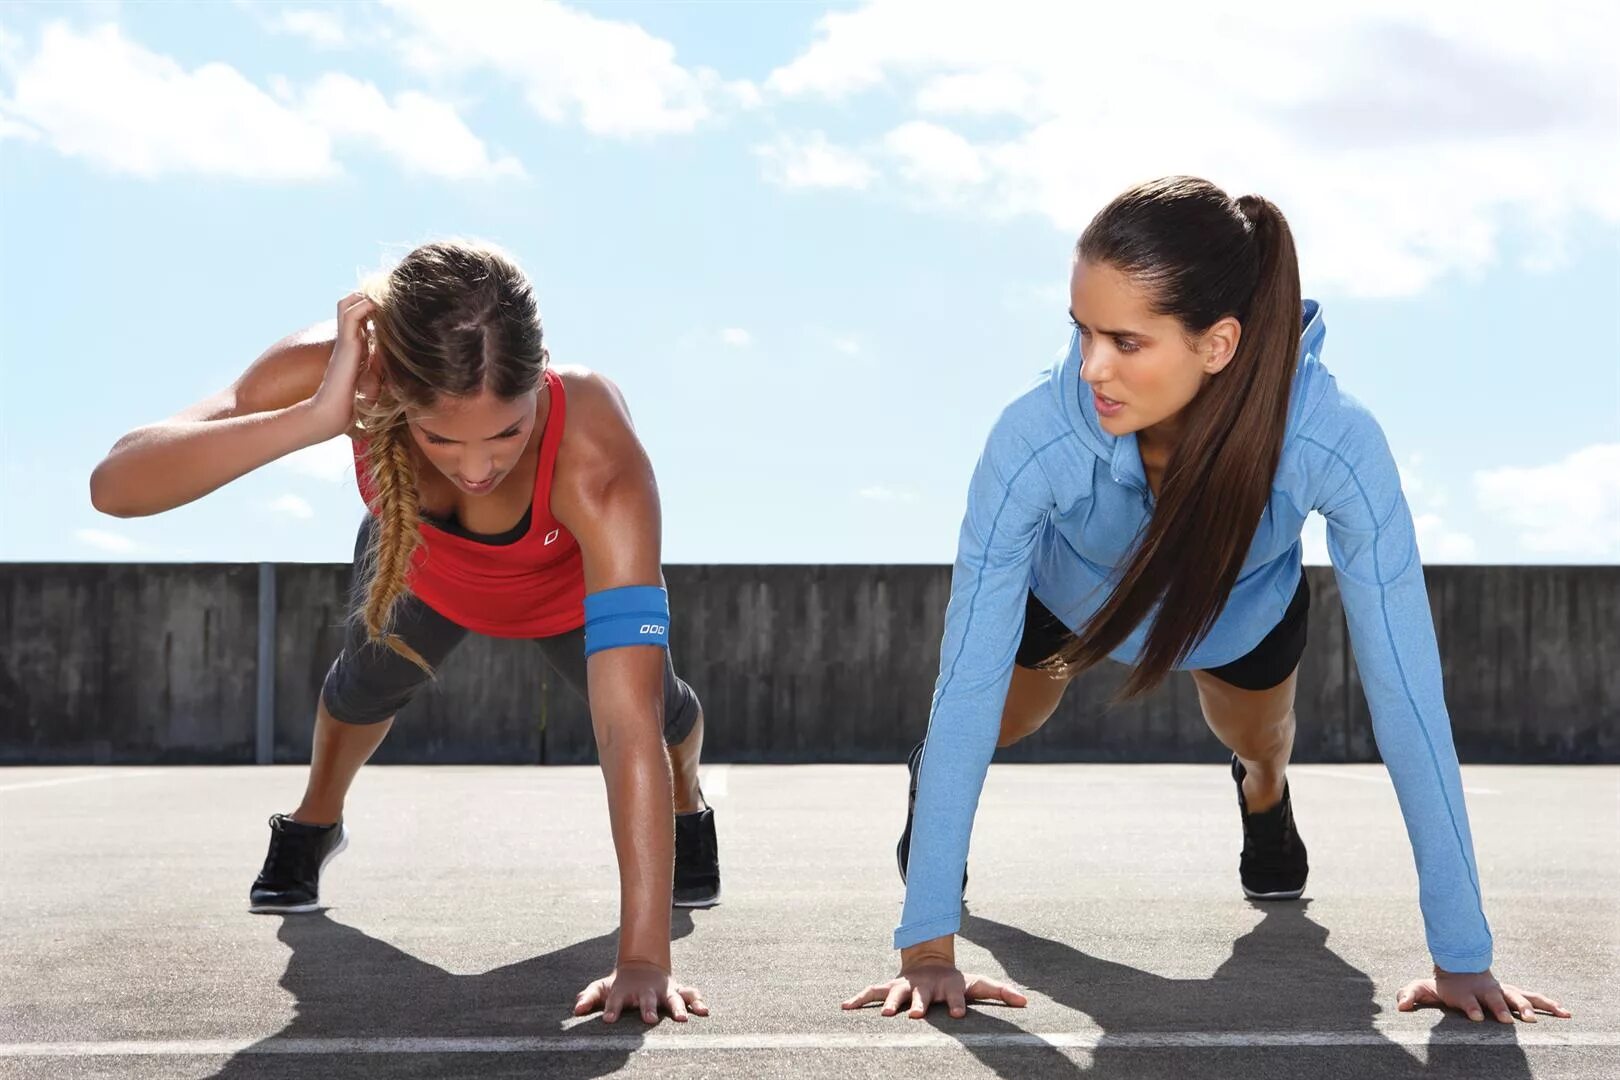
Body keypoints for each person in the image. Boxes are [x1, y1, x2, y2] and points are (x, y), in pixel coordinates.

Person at [843, 177, 1569, 1027]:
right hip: (1080, 606)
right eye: (1081, 331)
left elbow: (1407, 691)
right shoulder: (1035, 435)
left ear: (1217, 344)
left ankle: (1263, 793)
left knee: (1260, 743)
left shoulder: (1331, 439)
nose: (1091, 369)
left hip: (1239, 618)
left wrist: (1463, 955)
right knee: (990, 724)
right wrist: (928, 948)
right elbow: (963, 680)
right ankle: (935, 794)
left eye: (1125, 341)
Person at [90, 239, 716, 1025]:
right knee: (359, 692)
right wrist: (316, 416)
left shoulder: (597, 447)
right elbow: (115, 486)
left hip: (560, 594)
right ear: (394, 390)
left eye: (506, 436)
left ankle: (689, 803)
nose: (477, 468)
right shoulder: (340, 370)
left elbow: (623, 728)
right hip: (421, 568)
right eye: (440, 439)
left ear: (541, 375)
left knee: (658, 714)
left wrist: (643, 958)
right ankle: (314, 823)